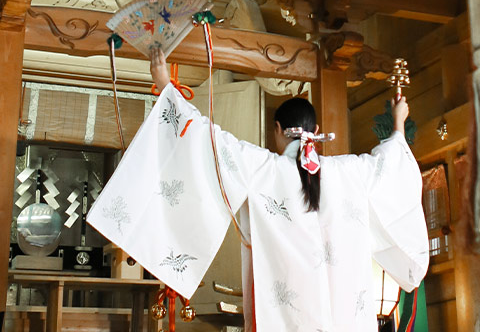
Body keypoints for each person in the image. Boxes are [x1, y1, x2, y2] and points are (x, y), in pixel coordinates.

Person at [87, 48, 429, 332]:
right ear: (317, 130)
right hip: (346, 319)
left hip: (285, 317)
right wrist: (398, 122)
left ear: (277, 130)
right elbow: (390, 164)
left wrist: (165, 85)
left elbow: (207, 139)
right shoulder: (349, 172)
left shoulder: (263, 168)